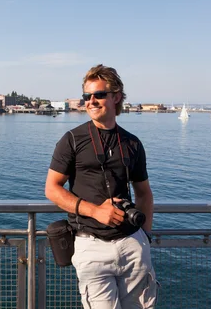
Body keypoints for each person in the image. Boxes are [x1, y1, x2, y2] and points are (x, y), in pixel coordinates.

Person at [45, 64, 158, 309]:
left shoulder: (132, 143)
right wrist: (95, 211)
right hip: (91, 244)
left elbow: (144, 193)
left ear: (116, 97)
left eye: (99, 95)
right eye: (87, 96)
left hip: (132, 245)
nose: (91, 101)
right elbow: (52, 189)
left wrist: (145, 236)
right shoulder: (72, 140)